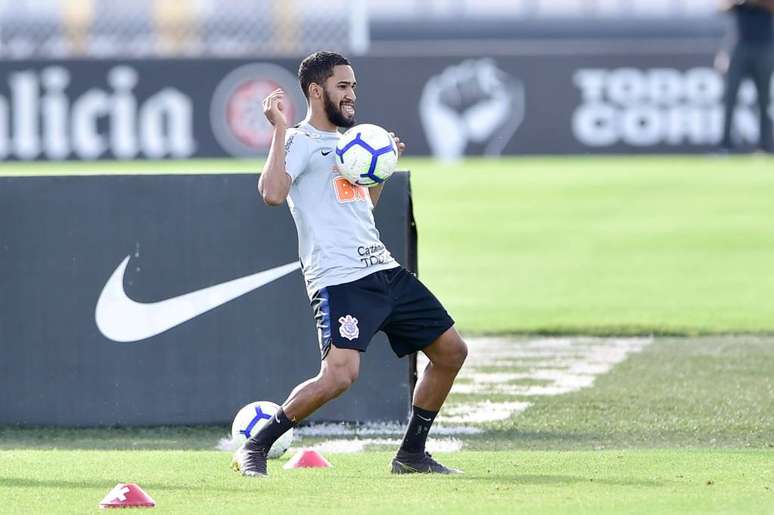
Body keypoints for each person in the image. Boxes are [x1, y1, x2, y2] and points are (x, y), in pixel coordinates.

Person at [232, 51, 468, 477]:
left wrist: (380, 171)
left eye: (354, 87)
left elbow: (360, 209)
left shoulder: (352, 144)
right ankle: (257, 445)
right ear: (317, 91)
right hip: (340, 279)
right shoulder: (299, 140)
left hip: (382, 269)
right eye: (343, 87)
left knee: (451, 351)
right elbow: (271, 192)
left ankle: (412, 454)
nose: (351, 95)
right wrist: (281, 128)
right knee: (340, 376)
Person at [719, 0, 774, 153]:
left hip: (764, 48)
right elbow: (722, 7)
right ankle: (726, 145)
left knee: (764, 101)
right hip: (740, 47)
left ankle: (765, 146)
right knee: (730, 98)